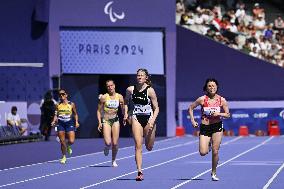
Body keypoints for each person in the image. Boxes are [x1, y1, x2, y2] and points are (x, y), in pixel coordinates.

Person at [188, 78, 230, 181]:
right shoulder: (202, 99)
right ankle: (208, 145)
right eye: (209, 86)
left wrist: (219, 113)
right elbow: (191, 108)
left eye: (213, 86)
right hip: (205, 127)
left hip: (217, 127)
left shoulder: (221, 100)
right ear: (206, 88)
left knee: (215, 152)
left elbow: (228, 114)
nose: (212, 88)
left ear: (217, 87)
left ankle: (214, 172)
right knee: (203, 152)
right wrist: (193, 121)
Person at [124, 68, 159, 181]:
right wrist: (125, 113)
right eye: (138, 75)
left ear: (146, 78)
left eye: (142, 75)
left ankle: (149, 142)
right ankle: (139, 171)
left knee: (149, 147)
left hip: (149, 119)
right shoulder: (130, 89)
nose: (139, 77)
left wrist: (152, 120)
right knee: (138, 145)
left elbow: (156, 108)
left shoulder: (150, 91)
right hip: (136, 118)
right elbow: (125, 102)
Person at [97, 80, 125, 167]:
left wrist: (125, 116)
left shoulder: (119, 96)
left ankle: (113, 160)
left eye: (111, 85)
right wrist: (99, 122)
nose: (110, 87)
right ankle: (106, 147)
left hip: (115, 120)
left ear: (114, 86)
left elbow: (123, 108)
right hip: (106, 120)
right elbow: (98, 111)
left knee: (115, 143)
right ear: (107, 87)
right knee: (108, 142)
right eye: (108, 86)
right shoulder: (104, 97)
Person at [51, 89, 79, 164]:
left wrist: (76, 122)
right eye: (60, 95)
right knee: (62, 142)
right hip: (60, 124)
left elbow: (75, 114)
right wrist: (54, 121)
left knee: (71, 141)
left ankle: (68, 146)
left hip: (69, 123)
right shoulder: (57, 105)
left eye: (63, 94)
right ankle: (64, 157)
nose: (61, 96)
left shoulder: (71, 104)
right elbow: (56, 115)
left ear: (66, 95)